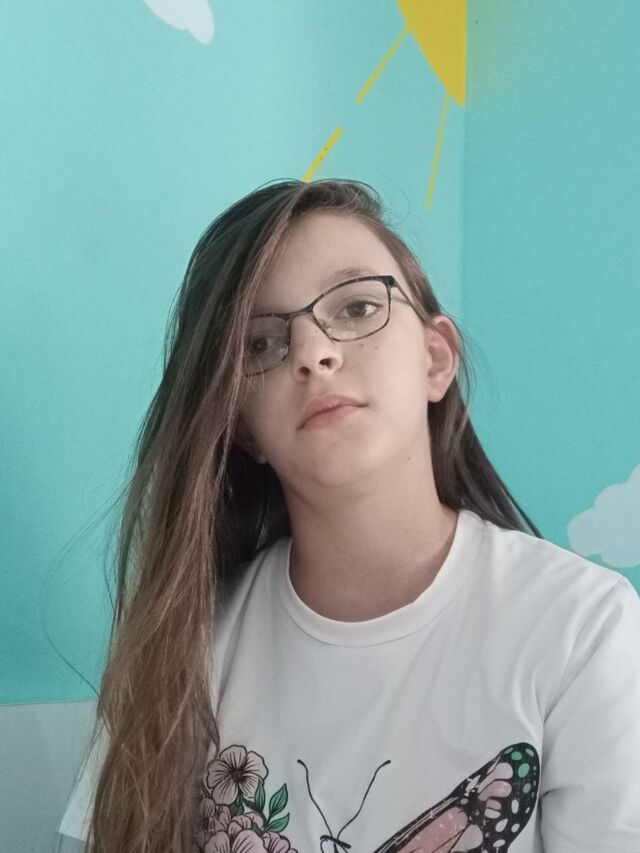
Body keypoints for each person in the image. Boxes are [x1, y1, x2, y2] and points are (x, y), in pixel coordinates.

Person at [57, 179, 640, 853]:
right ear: (241, 425)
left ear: (436, 358)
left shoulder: (583, 626)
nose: (314, 353)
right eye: (262, 344)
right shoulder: (181, 646)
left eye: (358, 306)